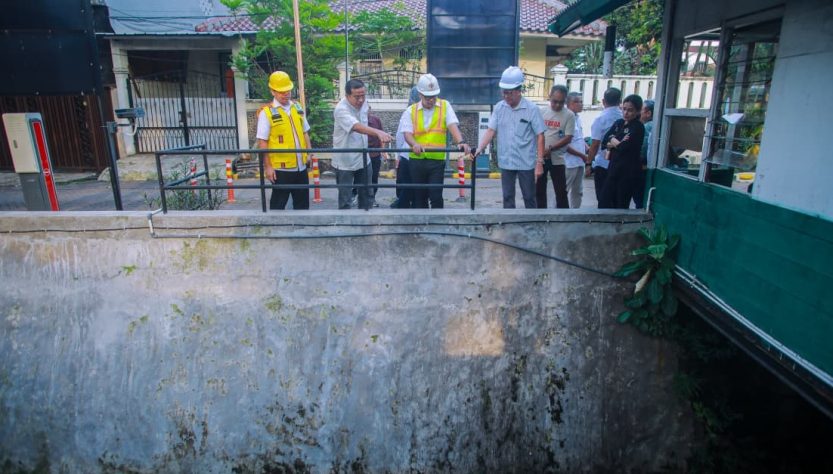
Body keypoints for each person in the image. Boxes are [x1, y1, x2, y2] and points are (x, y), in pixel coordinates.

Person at [474, 66, 546, 209]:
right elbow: (490, 131)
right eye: (504, 93)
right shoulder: (499, 108)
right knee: (507, 197)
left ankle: (531, 227)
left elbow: (540, 135)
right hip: (506, 161)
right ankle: (509, 228)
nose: (506, 96)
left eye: (510, 93)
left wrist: (539, 163)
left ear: (519, 91)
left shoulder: (532, 109)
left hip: (526, 162)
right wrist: (479, 148)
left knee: (529, 197)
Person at [401, 73, 470, 209]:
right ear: (420, 94)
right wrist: (414, 144)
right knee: (419, 197)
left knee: (436, 195)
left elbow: (452, 125)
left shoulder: (445, 106)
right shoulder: (411, 111)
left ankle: (438, 224)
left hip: (436, 160)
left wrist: (460, 141)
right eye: (427, 97)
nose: (431, 100)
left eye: (433, 96)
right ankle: (421, 226)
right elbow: (407, 133)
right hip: (417, 159)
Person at [256, 71, 313, 210]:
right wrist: (268, 167)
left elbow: (304, 131)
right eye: (281, 91)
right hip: (281, 168)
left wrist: (309, 152)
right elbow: (262, 141)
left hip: (301, 166)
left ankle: (302, 229)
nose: (285, 94)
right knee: (278, 203)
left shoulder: (297, 107)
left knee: (303, 203)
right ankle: (275, 229)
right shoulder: (267, 112)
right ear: (272, 91)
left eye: (287, 90)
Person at [332, 79, 392, 209]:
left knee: (367, 194)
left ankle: (367, 223)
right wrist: (378, 132)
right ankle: (346, 225)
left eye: (363, 96)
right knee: (345, 199)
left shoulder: (364, 104)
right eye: (356, 97)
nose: (360, 100)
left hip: (364, 158)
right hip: (345, 160)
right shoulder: (341, 109)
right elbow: (356, 126)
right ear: (347, 96)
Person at [598, 94, 645, 209]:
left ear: (637, 111)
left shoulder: (637, 127)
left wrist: (613, 141)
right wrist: (615, 141)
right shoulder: (619, 123)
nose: (626, 113)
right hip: (613, 168)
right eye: (624, 109)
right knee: (604, 201)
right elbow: (605, 140)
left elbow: (624, 147)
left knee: (621, 204)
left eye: (630, 110)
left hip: (627, 172)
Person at [537, 85, 574, 209]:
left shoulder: (569, 115)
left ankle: (563, 218)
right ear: (549, 97)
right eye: (555, 101)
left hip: (557, 159)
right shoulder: (541, 112)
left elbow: (568, 137)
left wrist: (551, 148)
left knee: (561, 191)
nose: (557, 105)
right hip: (540, 158)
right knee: (539, 189)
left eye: (561, 102)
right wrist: (541, 151)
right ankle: (541, 217)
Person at [586, 88, 623, 204]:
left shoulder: (600, 119)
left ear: (603, 101)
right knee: (617, 197)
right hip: (620, 164)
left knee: (603, 198)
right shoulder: (624, 117)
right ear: (620, 101)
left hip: (603, 164)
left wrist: (588, 163)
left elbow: (595, 144)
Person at [391, 87, 420, 209]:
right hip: (424, 155)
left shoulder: (409, 111)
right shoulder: (432, 111)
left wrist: (399, 154)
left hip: (407, 154)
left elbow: (400, 135)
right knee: (418, 186)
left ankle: (402, 205)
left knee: (405, 184)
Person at [564, 92, 589, 209]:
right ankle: (558, 214)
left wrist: (586, 148)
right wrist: (582, 155)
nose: (581, 104)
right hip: (569, 162)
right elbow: (565, 144)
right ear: (569, 103)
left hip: (579, 161)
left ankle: (575, 213)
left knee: (578, 191)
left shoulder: (577, 118)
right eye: (577, 101)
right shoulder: (566, 118)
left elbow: (578, 137)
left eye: (581, 101)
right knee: (563, 190)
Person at [633, 99, 654, 209]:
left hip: (643, 168)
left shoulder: (646, 128)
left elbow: (642, 150)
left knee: (640, 200)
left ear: (648, 113)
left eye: (640, 110)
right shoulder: (659, 126)